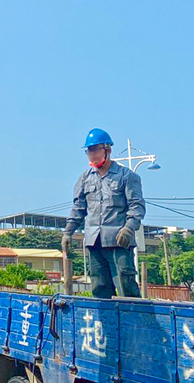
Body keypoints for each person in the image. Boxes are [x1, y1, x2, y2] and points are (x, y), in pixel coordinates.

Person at [62, 128, 145, 299]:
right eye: (89, 151)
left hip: (119, 242)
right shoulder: (84, 179)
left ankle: (132, 324)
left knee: (125, 289)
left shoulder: (127, 176)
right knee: (99, 289)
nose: (91, 154)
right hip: (94, 243)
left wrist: (129, 228)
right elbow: (78, 208)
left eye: (95, 149)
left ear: (107, 149)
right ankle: (106, 324)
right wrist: (68, 232)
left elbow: (137, 206)